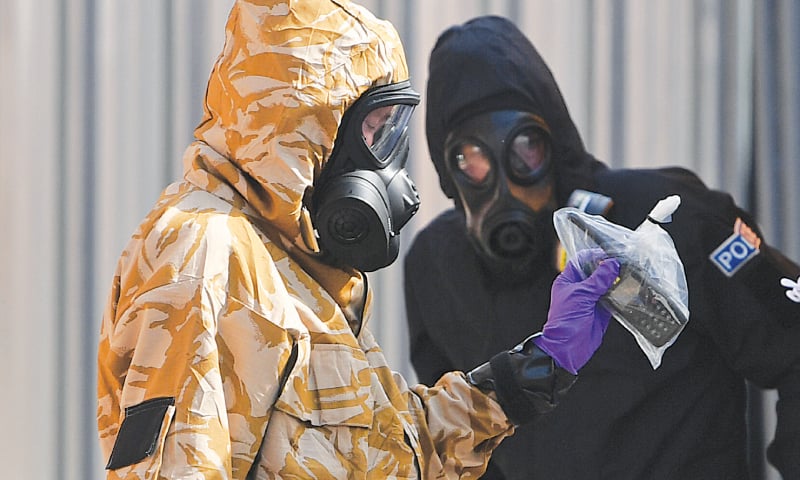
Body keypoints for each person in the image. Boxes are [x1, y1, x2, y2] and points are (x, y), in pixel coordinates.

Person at [95, 2, 620, 479]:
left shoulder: (297, 271)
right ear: (306, 126)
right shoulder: (204, 254)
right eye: (375, 131)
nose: (391, 169)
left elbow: (402, 449)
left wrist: (539, 365)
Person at [404, 15, 800, 480]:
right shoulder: (437, 267)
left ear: (554, 143)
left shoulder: (664, 223)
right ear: (448, 175)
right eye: (470, 160)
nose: (504, 184)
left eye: (524, 148)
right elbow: (456, 442)